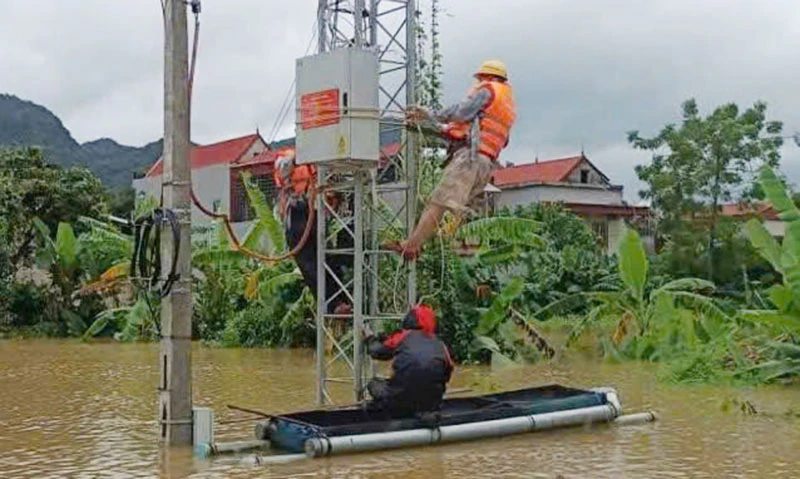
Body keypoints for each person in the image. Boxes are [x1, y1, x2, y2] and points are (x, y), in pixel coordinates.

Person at [385, 59, 517, 260]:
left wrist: (432, 114)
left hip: (469, 160)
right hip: (485, 164)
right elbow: (459, 132)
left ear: (486, 77)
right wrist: (428, 124)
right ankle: (468, 262)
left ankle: (411, 246)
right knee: (466, 214)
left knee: (439, 202)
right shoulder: (506, 104)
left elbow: (460, 112)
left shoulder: (488, 90)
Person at [273, 150, 352, 314]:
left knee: (327, 260)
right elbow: (282, 168)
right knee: (310, 265)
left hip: (316, 214)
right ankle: (332, 305)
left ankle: (339, 302)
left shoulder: (323, 160)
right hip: (297, 214)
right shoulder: (290, 157)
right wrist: (299, 157)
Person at [363, 304, 454, 418]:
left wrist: (370, 338)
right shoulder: (440, 344)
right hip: (430, 404)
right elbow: (447, 373)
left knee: (373, 384)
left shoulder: (403, 337)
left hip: (400, 400)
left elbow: (377, 352)